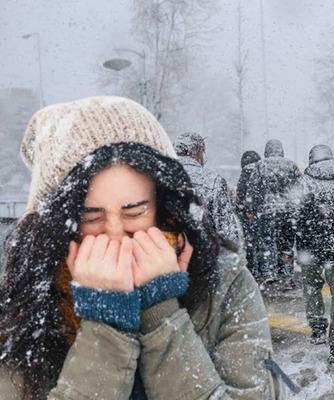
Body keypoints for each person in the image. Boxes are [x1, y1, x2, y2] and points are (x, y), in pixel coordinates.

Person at [0, 97, 281, 399]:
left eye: (133, 212)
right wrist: (107, 324)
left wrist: (160, 313)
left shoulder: (225, 283)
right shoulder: (25, 306)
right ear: (60, 222)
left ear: (164, 208)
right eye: (91, 216)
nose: (115, 232)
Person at [294, 145, 334, 364]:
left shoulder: (304, 182)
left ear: (311, 160)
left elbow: (295, 217)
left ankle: (318, 329)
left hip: (310, 249)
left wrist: (294, 245)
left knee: (312, 289)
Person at [175, 131, 243, 252]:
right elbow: (225, 228)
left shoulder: (160, 177)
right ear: (198, 151)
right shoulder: (212, 180)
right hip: (203, 254)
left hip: (166, 255)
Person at [249, 139, 301, 290]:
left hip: (267, 211)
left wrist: (252, 207)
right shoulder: (291, 165)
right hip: (287, 212)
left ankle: (268, 273)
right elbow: (299, 188)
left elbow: (253, 189)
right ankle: (286, 275)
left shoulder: (260, 165)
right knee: (286, 244)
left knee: (267, 242)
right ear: (281, 150)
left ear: (267, 151)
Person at [236, 150, 263, 281]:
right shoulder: (261, 171)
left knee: (249, 244)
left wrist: (241, 210)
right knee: (262, 243)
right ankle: (263, 272)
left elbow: (241, 194)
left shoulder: (245, 173)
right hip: (261, 213)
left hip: (247, 214)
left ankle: (252, 271)